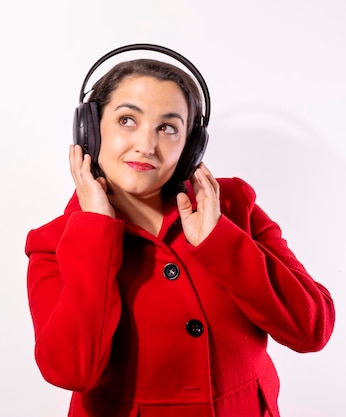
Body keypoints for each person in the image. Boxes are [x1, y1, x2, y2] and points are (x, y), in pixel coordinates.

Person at [24, 45, 335, 417]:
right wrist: (95, 230)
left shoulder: (234, 205)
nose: (146, 146)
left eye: (168, 128)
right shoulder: (52, 244)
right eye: (127, 120)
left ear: (190, 147)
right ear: (89, 131)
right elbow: (72, 371)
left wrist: (221, 241)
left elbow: (311, 329)